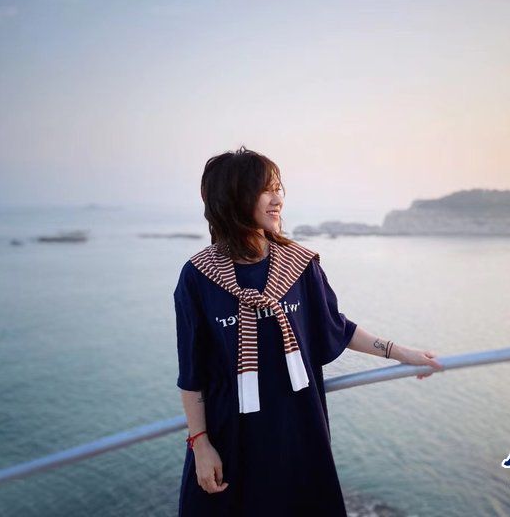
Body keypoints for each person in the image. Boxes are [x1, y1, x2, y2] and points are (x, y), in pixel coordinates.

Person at [175, 146, 444, 516]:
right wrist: (201, 445)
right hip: (230, 439)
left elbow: (337, 327)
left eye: (278, 189)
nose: (277, 200)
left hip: (299, 432)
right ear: (233, 198)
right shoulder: (198, 277)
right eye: (265, 190)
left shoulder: (299, 266)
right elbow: (193, 373)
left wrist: (400, 352)